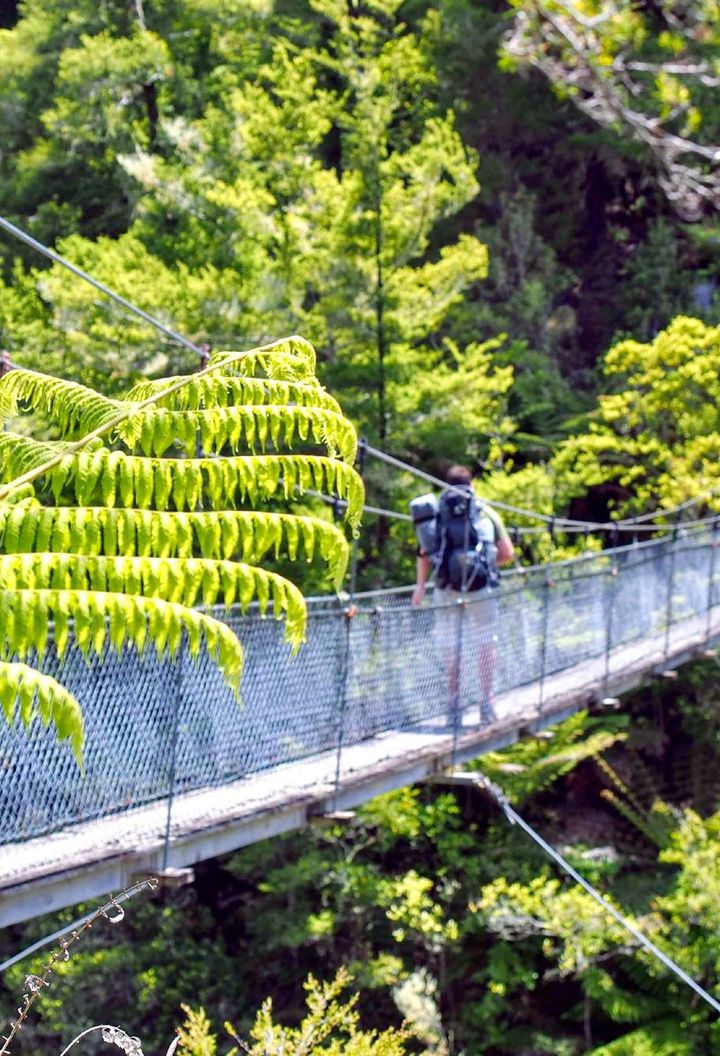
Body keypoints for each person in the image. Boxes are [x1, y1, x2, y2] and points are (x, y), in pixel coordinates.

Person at [411, 465, 515, 721]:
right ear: (473, 485)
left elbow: (425, 552)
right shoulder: (485, 512)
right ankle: (486, 703)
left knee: (451, 647)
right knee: (485, 643)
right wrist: (484, 566)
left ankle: (454, 706)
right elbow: (508, 554)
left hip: (447, 588)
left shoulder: (439, 512)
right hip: (482, 589)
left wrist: (421, 586)